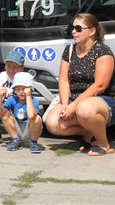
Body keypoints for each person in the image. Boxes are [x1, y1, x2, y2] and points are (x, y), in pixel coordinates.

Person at [44, 13, 115, 156]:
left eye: (78, 28)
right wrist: (65, 104)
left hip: (100, 101)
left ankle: (103, 143)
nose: (73, 32)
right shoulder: (69, 50)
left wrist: (74, 105)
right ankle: (90, 131)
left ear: (92, 31)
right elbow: (64, 80)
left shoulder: (103, 51)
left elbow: (100, 85)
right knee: (52, 123)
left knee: (85, 108)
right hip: (74, 101)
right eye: (72, 28)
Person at [0, 72, 42, 153]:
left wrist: (28, 96)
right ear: (14, 90)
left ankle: (33, 142)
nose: (21, 91)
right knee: (5, 114)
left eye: (24, 89)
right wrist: (0, 98)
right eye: (18, 89)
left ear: (30, 89)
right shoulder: (12, 99)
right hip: (17, 129)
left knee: (37, 118)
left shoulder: (34, 100)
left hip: (30, 131)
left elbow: (31, 116)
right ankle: (16, 140)